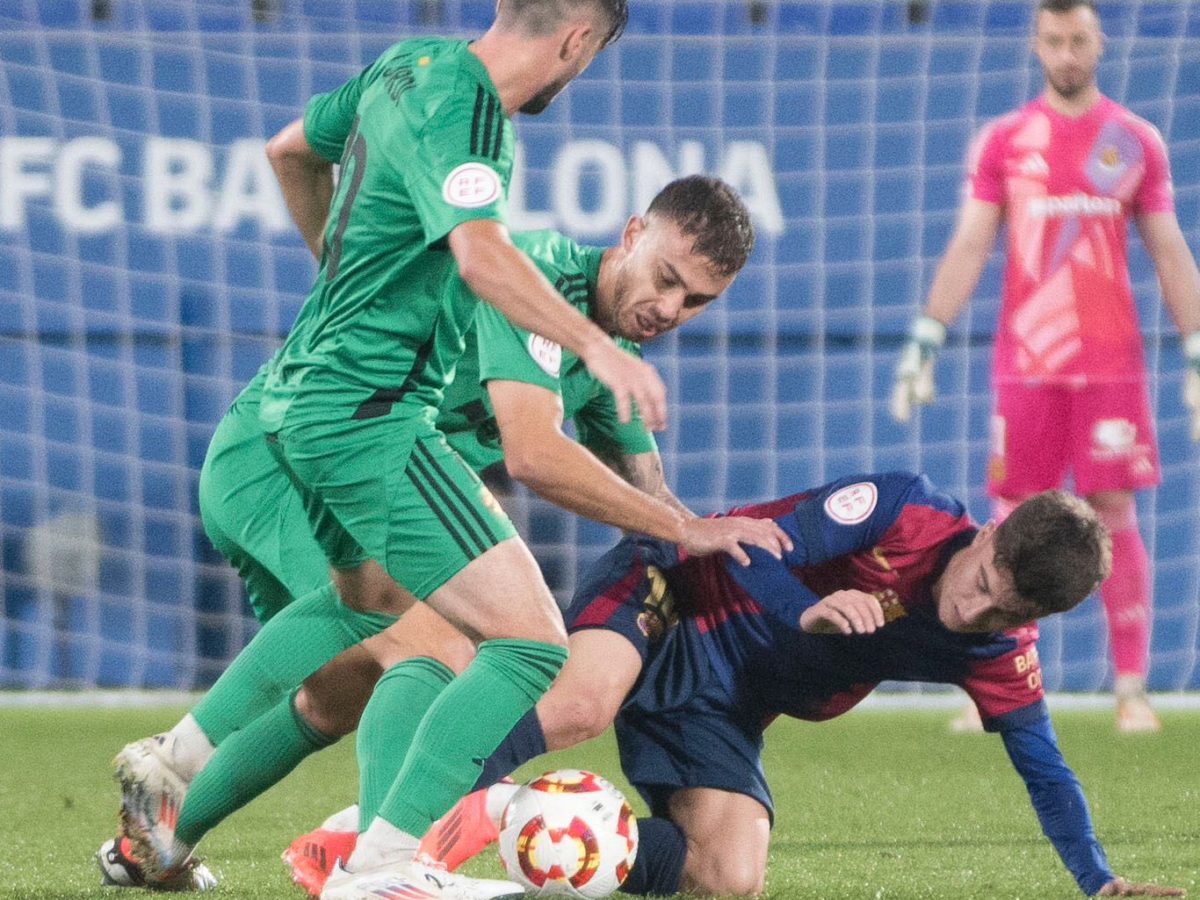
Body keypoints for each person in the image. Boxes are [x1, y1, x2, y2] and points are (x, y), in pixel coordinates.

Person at [102, 177, 788, 893]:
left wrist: (753, 575)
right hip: (281, 462)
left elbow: (656, 503)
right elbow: (532, 454)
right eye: (667, 279)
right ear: (631, 234)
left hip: (334, 467)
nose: (670, 309)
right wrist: (682, 528)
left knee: (335, 698)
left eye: (697, 301)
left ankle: (157, 840)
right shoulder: (539, 282)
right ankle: (381, 867)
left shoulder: (611, 362)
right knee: (429, 642)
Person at [294, 472, 1185, 898]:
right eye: (982, 580)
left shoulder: (998, 649)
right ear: (988, 531)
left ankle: (514, 827)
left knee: (731, 878)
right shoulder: (903, 508)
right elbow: (758, 548)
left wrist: (1098, 883)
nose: (970, 612)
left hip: (724, 701)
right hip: (674, 589)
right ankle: (375, 845)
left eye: (999, 613)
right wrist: (807, 612)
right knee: (579, 702)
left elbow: (1045, 766)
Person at [889, 0, 1200, 732]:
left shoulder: (1134, 141)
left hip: (1111, 368)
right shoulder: (1006, 140)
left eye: (1080, 40)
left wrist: (1194, 347)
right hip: (1026, 365)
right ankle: (998, 680)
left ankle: (1130, 689)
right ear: (1036, 44)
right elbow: (970, 245)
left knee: (1115, 512)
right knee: (1008, 521)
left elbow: (1168, 250)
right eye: (1055, 40)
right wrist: (925, 340)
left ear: (1099, 41)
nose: (1067, 53)